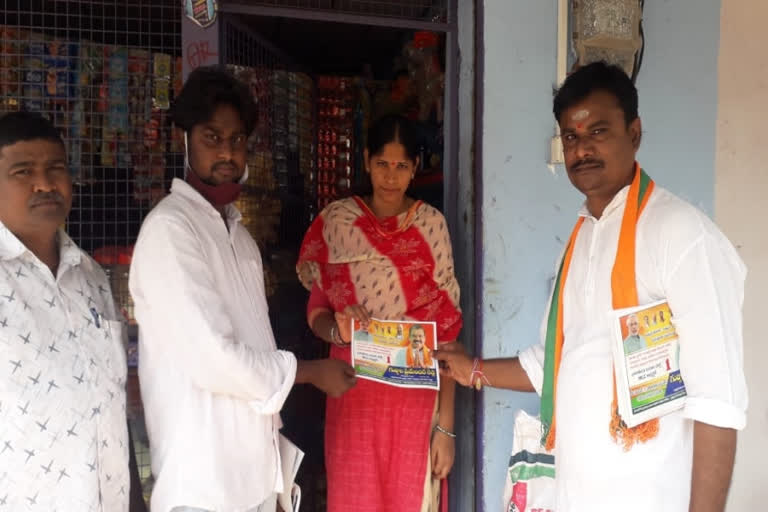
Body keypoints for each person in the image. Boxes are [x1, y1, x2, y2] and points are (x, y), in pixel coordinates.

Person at [436, 62, 748, 512]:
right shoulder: (582, 237)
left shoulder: (682, 235)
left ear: (634, 133)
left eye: (598, 132)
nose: (582, 150)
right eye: (570, 137)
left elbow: (717, 403)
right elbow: (554, 365)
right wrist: (474, 369)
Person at [129, 66, 357, 512]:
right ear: (186, 141)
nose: (227, 153)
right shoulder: (170, 231)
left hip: (250, 480)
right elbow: (216, 359)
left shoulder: (240, 237)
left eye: (236, 140)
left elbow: (256, 347)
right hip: (203, 487)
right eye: (212, 138)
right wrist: (310, 373)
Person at [297, 114, 462, 512]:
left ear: (414, 169)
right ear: (367, 161)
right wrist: (339, 331)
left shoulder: (430, 228)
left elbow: (448, 335)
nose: (391, 177)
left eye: (401, 166)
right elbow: (317, 313)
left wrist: (446, 429)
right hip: (353, 395)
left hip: (415, 403)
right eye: (382, 165)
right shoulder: (337, 225)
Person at [0, 111, 130, 510]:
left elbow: (112, 404)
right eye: (23, 171)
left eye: (55, 168)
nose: (44, 183)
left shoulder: (91, 276)